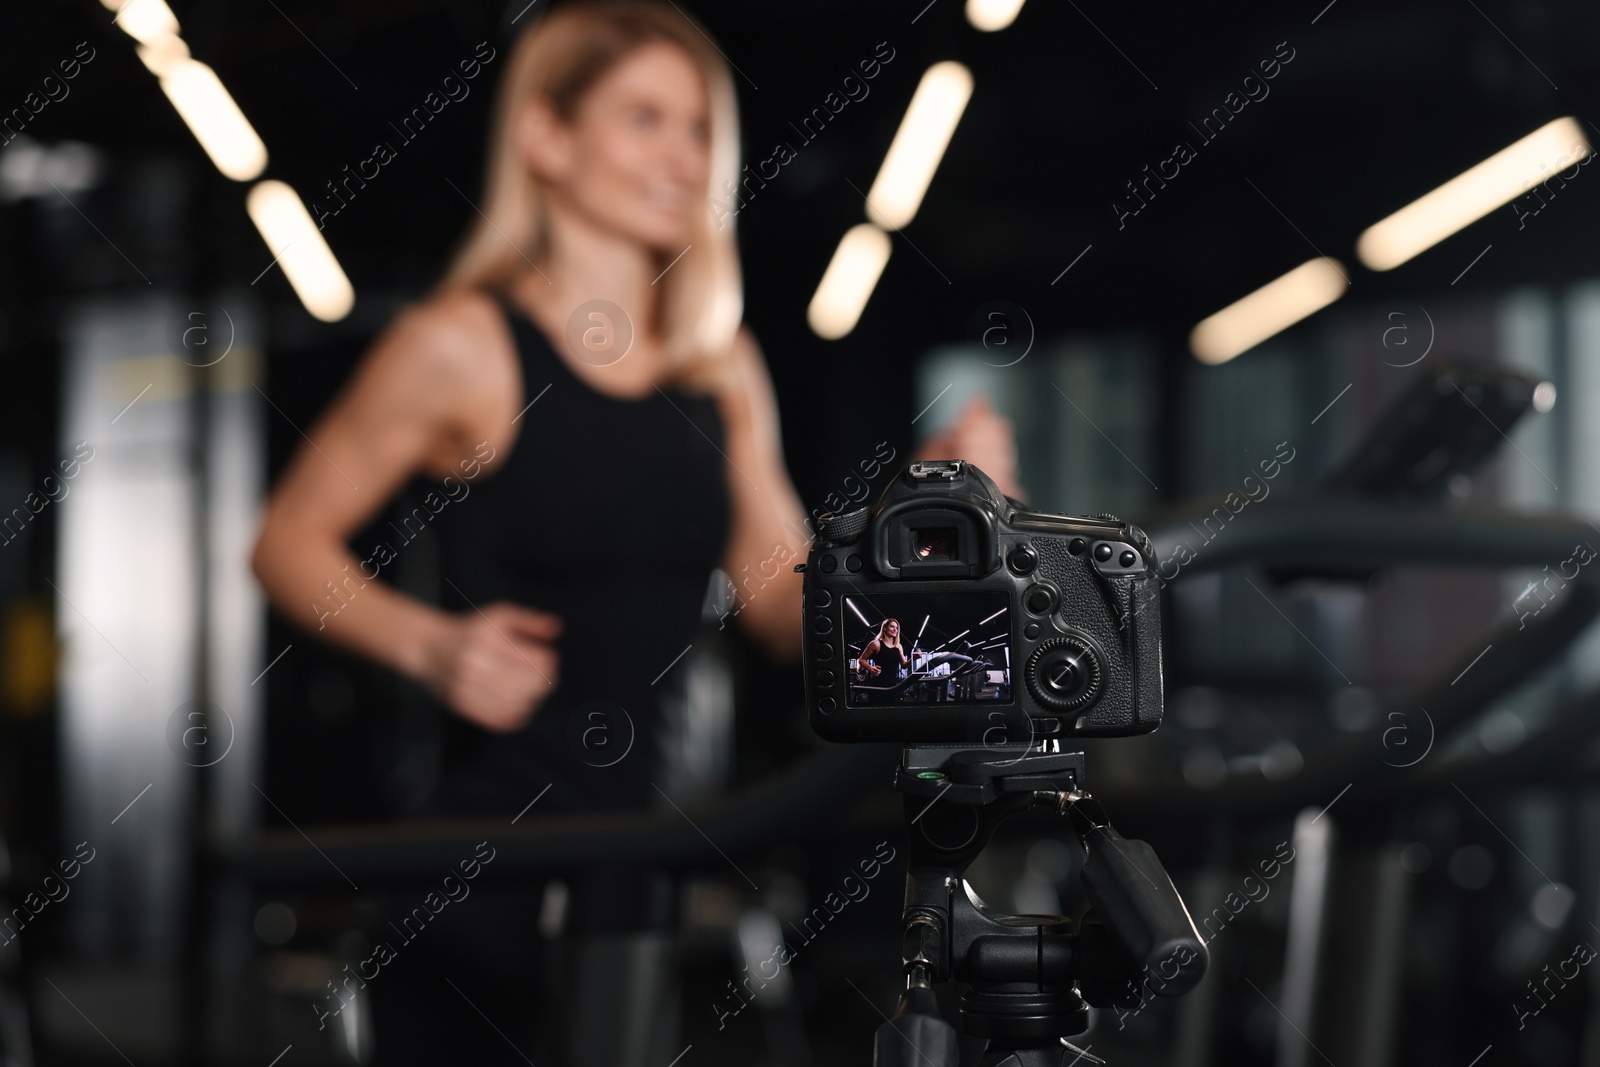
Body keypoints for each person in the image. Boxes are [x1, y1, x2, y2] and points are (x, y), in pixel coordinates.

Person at [250, 2, 1020, 1063]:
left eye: (699, 127)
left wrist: (920, 510)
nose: (682, 156)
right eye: (644, 119)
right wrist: (430, 646)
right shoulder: (463, 344)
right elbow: (286, 541)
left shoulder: (717, 362)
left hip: (651, 856)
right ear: (547, 138)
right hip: (485, 864)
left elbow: (781, 604)